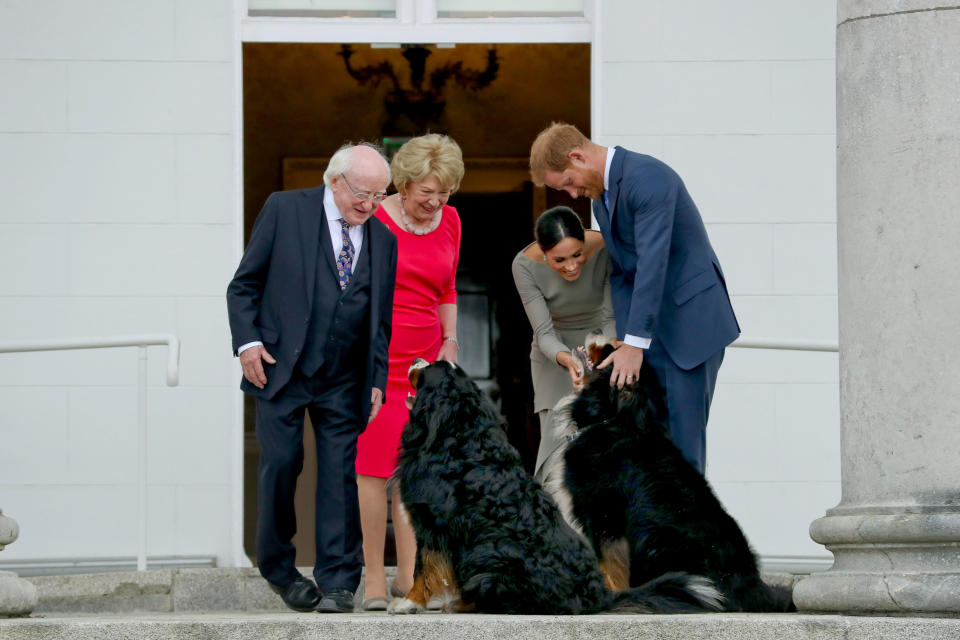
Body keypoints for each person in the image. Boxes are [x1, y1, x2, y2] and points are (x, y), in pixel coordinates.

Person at [226, 143, 398, 613]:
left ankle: (340, 581)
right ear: (335, 181)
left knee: (342, 474)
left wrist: (376, 377)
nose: (370, 205)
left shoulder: (384, 240)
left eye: (380, 196)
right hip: (281, 368)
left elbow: (380, 321)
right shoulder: (285, 210)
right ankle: (280, 570)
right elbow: (244, 285)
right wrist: (248, 343)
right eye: (363, 194)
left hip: (346, 376)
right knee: (282, 464)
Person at [528, 123, 739, 474]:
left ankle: (685, 529)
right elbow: (625, 274)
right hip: (648, 334)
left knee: (683, 456)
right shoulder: (602, 202)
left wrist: (635, 343)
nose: (574, 194)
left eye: (568, 183)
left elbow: (652, 263)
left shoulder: (649, 178)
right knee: (649, 452)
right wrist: (622, 343)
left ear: (577, 156)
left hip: (689, 328)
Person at [355, 134, 463, 611]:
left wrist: (451, 341)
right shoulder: (375, 217)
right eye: (426, 192)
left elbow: (447, 287)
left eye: (443, 193)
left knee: (414, 469)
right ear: (402, 183)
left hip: (425, 361)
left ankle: (409, 575)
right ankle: (374, 576)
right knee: (374, 470)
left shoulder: (451, 221)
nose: (435, 202)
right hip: (378, 355)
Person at [511, 206, 615, 481]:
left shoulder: (606, 248)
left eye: (577, 255)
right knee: (558, 443)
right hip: (553, 354)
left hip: (601, 342)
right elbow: (543, 333)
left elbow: (611, 316)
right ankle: (556, 516)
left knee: (603, 439)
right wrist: (566, 359)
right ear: (544, 255)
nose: (571, 266)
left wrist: (602, 349)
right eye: (559, 260)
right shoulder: (523, 265)